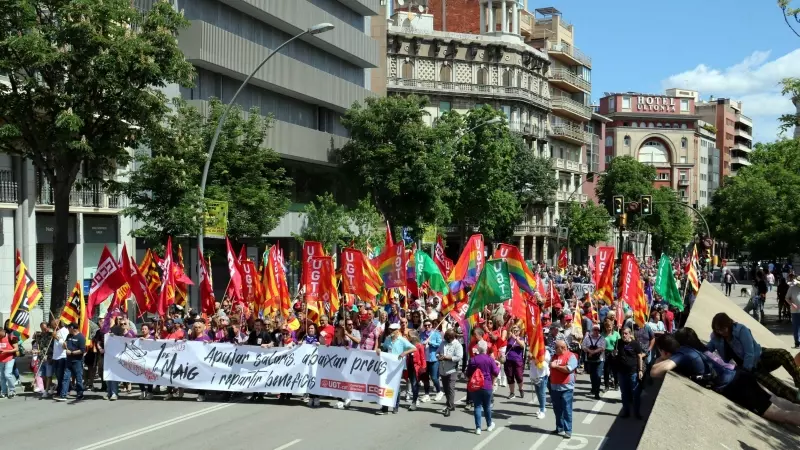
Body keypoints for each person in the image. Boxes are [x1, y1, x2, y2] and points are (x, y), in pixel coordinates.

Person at [651, 333, 800, 427]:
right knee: (778, 402)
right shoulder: (686, 350)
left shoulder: (681, 355)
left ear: (665, 352)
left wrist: (660, 358)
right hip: (739, 376)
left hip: (736, 386)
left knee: (781, 415)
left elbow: (655, 372)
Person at [708, 313, 800, 403]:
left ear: (729, 324)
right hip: (750, 368)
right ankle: (797, 398)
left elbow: (750, 352)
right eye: (718, 330)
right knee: (777, 387)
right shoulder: (716, 338)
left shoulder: (740, 330)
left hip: (759, 356)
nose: (721, 332)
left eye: (723, 329)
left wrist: (745, 372)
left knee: (782, 354)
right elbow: (707, 349)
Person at [376, 322, 416, 415]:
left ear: (397, 331)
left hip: (398, 366)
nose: (391, 331)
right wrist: (379, 350)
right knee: (385, 385)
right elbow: (384, 348)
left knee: (396, 387)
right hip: (388, 365)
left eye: (393, 330)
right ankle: (385, 408)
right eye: (390, 329)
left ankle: (395, 406)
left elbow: (413, 348)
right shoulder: (388, 339)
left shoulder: (402, 340)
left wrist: (404, 353)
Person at [466, 339, 500, 435]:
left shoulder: (473, 359)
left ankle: (478, 428)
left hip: (476, 385)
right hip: (487, 385)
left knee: (477, 406)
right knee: (487, 406)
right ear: (486, 348)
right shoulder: (489, 359)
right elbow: (496, 372)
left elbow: (468, 373)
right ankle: (489, 425)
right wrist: (499, 366)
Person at [550, 339, 578, 439]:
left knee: (567, 410)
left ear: (563, 347)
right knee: (557, 410)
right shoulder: (554, 356)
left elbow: (568, 369)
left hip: (566, 388)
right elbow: (550, 365)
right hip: (555, 387)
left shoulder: (571, 356)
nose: (555, 349)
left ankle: (568, 430)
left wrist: (556, 366)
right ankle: (559, 427)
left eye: (556, 347)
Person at [615, 327, 645, 419]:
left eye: (626, 333)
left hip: (633, 373)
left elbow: (640, 357)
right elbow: (616, 353)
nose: (624, 335)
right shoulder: (619, 342)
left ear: (630, 334)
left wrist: (640, 370)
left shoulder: (635, 344)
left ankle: (637, 413)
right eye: (622, 333)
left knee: (635, 393)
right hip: (621, 372)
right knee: (624, 393)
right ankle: (626, 412)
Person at [55, 323, 86, 402]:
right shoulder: (69, 336)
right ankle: (63, 395)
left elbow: (82, 350)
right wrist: (64, 345)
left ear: (72, 328)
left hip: (77, 361)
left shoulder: (81, 337)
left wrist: (72, 353)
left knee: (78, 378)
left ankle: (80, 394)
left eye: (68, 328)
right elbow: (64, 346)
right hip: (68, 361)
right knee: (66, 378)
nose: (68, 329)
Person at [436, 329, 463, 417]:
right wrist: (438, 356)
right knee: (446, 389)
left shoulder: (457, 345)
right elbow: (437, 352)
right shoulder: (443, 343)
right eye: (445, 337)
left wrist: (448, 357)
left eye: (448, 337)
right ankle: (450, 403)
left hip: (452, 370)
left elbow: (459, 357)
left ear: (452, 337)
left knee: (451, 388)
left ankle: (449, 406)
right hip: (443, 369)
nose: (446, 339)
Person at [419, 319, 443, 403]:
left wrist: (430, 342)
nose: (427, 327)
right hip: (425, 359)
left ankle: (439, 391)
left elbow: (440, 345)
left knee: (434, 377)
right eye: (425, 325)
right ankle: (426, 394)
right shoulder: (421, 334)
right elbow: (419, 344)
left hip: (433, 359)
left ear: (431, 325)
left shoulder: (436, 334)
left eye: (429, 325)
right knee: (425, 378)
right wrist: (422, 344)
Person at [582, 324, 605, 399]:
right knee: (592, 375)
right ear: (592, 330)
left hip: (599, 360)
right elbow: (583, 346)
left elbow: (603, 347)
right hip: (590, 360)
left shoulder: (602, 338)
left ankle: (597, 392)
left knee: (598, 375)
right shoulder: (587, 338)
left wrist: (593, 352)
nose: (596, 331)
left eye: (598, 330)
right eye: (595, 329)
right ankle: (593, 388)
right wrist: (589, 350)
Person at [406, 330, 426, 411]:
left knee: (414, 384)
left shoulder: (419, 345)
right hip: (409, 366)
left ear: (414, 336)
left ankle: (414, 402)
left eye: (409, 335)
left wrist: (423, 368)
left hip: (416, 367)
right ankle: (415, 397)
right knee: (413, 383)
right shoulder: (408, 345)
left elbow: (423, 358)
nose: (408, 337)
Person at [504, 325, 526, 399]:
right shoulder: (509, 338)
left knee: (519, 377)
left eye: (516, 330)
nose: (515, 331)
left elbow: (522, 346)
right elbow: (507, 332)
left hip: (518, 360)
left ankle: (520, 389)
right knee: (510, 377)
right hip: (509, 359)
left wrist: (516, 338)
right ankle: (512, 392)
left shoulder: (521, 338)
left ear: (519, 332)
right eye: (514, 330)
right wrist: (510, 324)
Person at [530, 348, 552, 420]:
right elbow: (530, 359)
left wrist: (537, 357)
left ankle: (542, 410)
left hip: (542, 373)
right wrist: (531, 356)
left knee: (542, 392)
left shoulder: (545, 349)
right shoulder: (533, 348)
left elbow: (547, 359)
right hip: (535, 373)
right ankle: (541, 407)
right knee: (538, 392)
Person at [601, 318, 620, 391]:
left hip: (614, 353)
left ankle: (616, 384)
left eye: (610, 327)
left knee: (615, 370)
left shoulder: (616, 333)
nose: (608, 328)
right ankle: (606, 386)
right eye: (607, 327)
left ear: (612, 326)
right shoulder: (602, 334)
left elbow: (619, 344)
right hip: (606, 353)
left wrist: (617, 350)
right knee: (606, 370)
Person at [0, 326, 19, 398]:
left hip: (10, 358)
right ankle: (4, 392)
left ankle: (12, 390)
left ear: (2, 331)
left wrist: (6, 351)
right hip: (1, 359)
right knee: (1, 376)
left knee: (7, 374)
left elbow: (16, 349)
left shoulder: (11, 337)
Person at [786, 274, 800, 348]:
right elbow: (787, 298)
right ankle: (797, 343)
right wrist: (792, 304)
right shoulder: (792, 288)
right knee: (796, 328)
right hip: (795, 311)